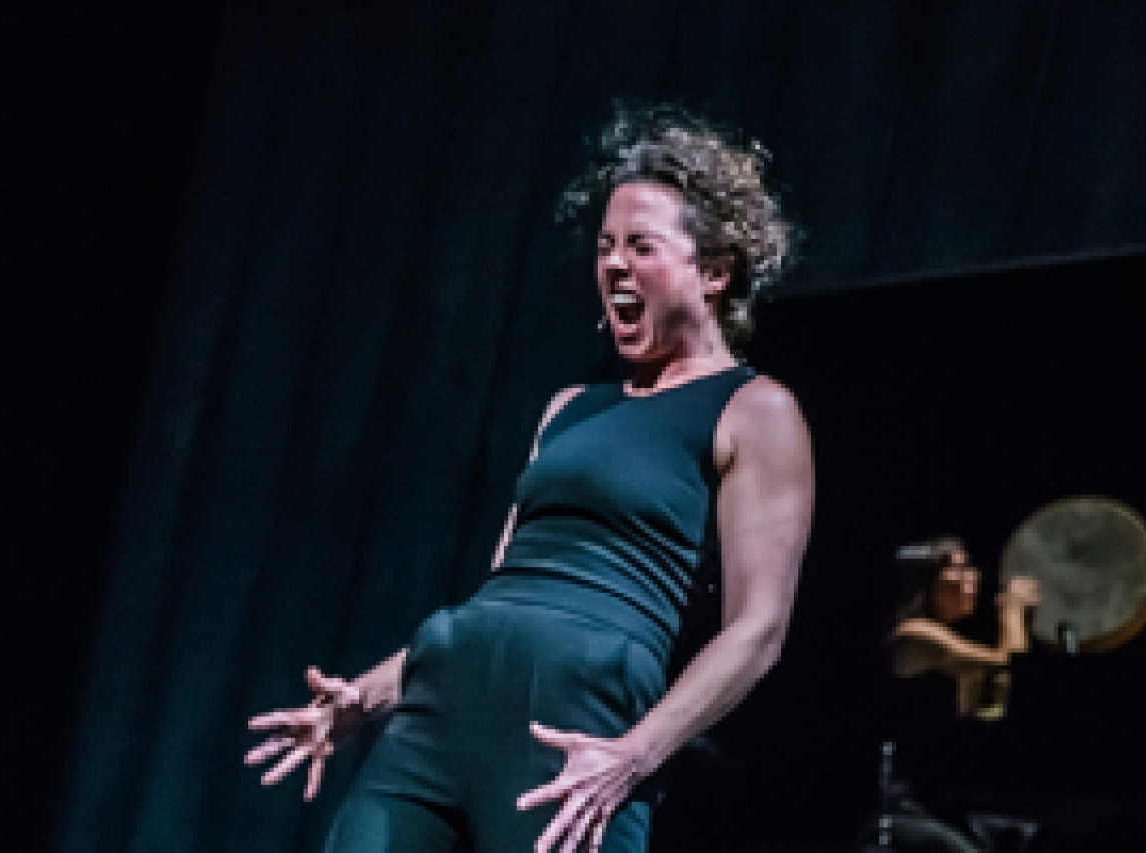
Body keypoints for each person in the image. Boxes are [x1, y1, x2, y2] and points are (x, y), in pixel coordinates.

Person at [244, 106, 815, 853]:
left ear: (713, 270)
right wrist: (366, 697)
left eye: (640, 246)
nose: (613, 265)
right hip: (441, 705)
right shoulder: (570, 408)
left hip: (573, 722)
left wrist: (635, 753)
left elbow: (757, 630)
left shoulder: (754, 408)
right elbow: (502, 594)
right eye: (605, 246)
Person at [890, 539, 1038, 718]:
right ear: (928, 580)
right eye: (961, 568)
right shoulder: (913, 632)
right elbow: (1006, 664)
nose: (975, 576)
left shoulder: (944, 639)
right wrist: (1013, 608)